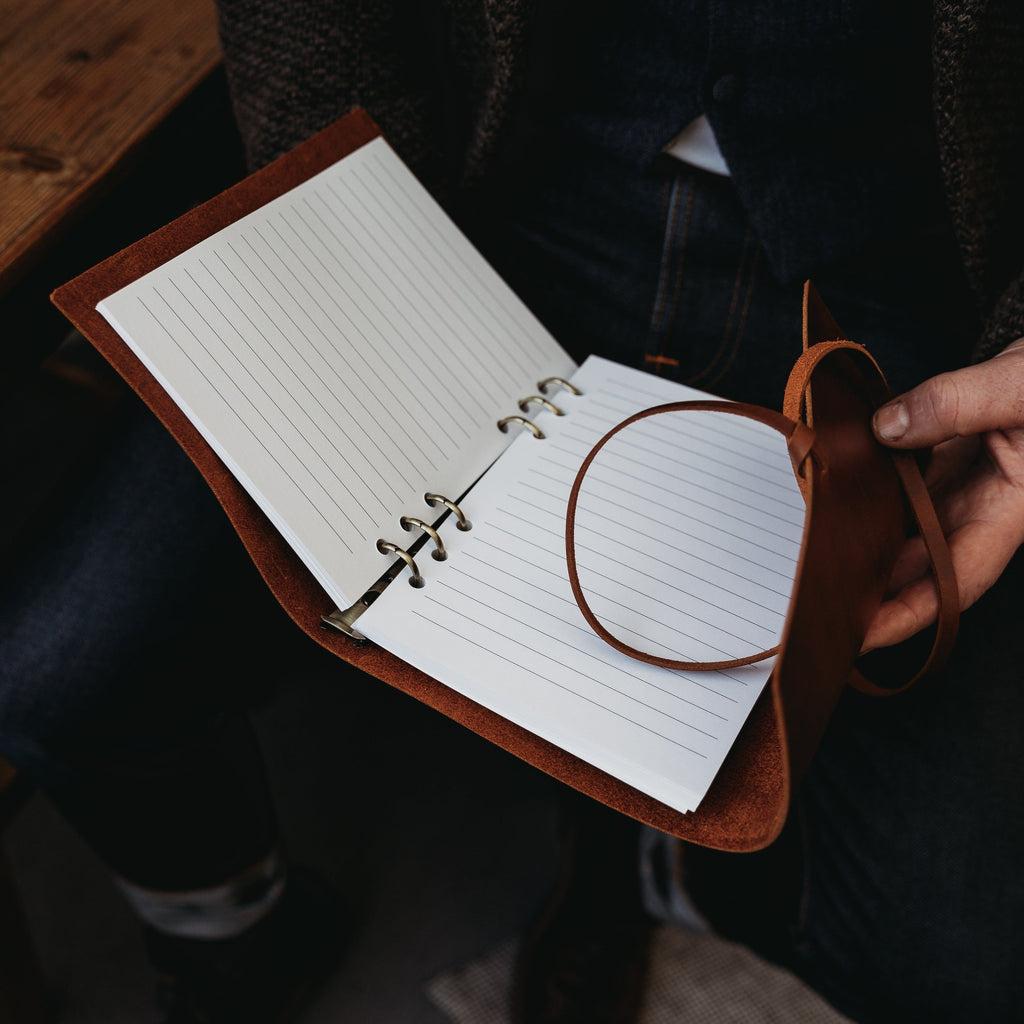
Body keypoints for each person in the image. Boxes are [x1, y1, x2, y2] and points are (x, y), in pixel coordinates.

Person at [2, 1, 1022, 1021]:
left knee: (956, 971)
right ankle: (239, 932)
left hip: (910, 293)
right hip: (486, 209)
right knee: (58, 671)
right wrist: (351, 210)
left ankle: (659, 864)